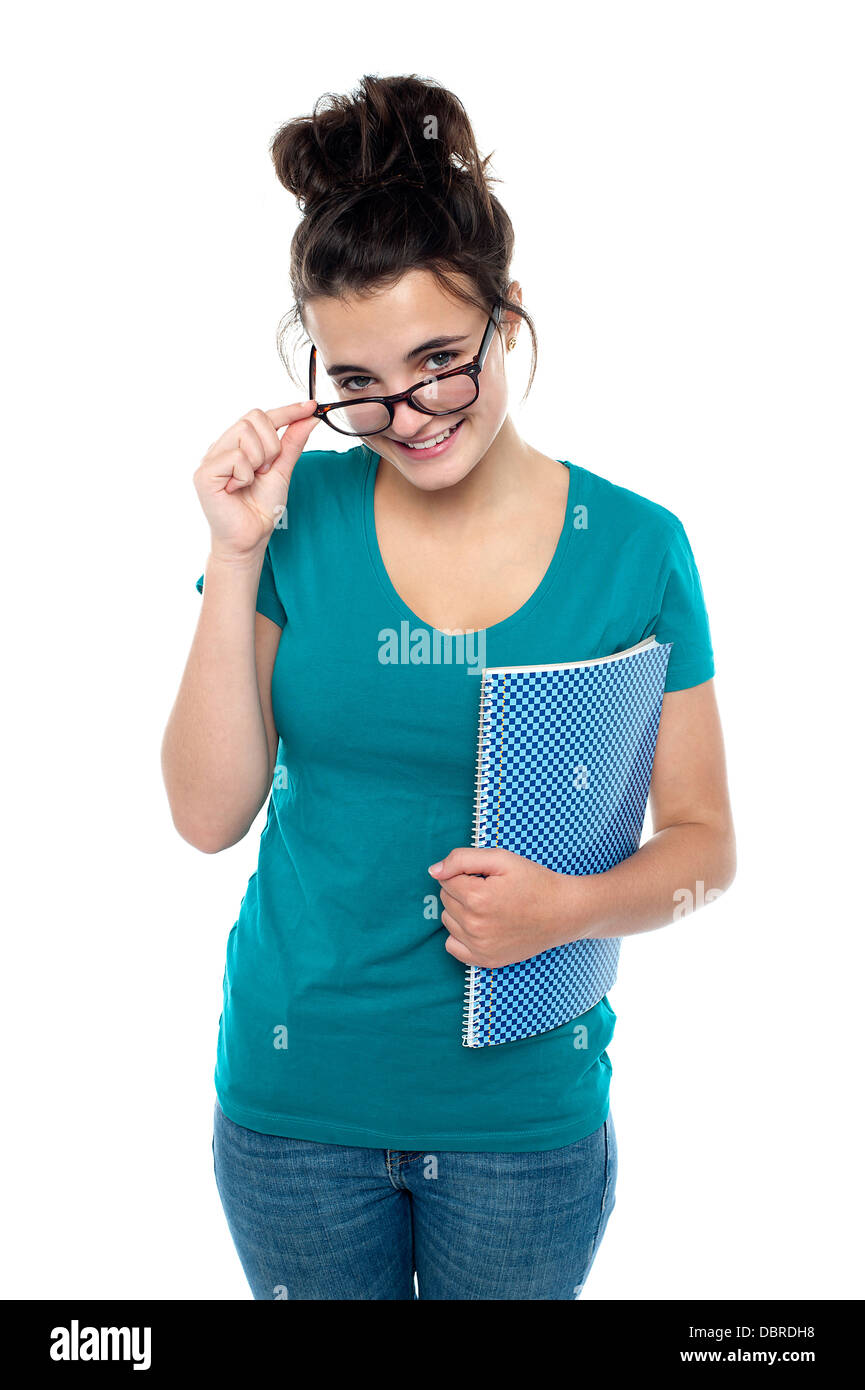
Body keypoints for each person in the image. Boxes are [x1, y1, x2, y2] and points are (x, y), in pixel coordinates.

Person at [161, 73, 736, 1301]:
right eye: (355, 380)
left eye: (438, 361)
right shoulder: (295, 521)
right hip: (292, 1108)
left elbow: (705, 847)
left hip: (524, 1124)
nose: (406, 414)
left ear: (506, 320)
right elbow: (207, 815)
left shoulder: (636, 548)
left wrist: (565, 911)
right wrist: (231, 550)